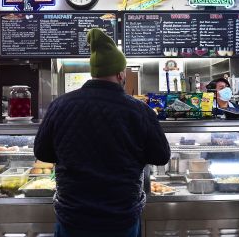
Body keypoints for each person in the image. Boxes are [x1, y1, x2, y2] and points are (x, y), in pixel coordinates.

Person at [34, 29, 171, 237]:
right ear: (120, 74)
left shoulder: (60, 105)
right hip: (121, 216)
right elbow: (161, 156)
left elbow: (42, 153)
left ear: (94, 72)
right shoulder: (139, 110)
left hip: (73, 215)